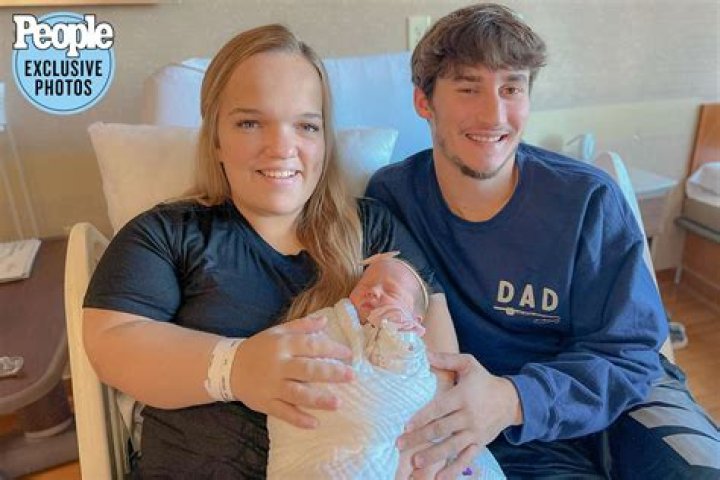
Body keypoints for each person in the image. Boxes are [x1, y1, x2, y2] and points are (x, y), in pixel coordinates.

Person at [82, 24, 459, 478]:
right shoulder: (167, 234)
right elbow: (111, 341)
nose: (282, 147)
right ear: (215, 138)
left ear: (324, 140)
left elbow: (438, 360)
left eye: (306, 126)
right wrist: (235, 368)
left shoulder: (372, 230)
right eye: (250, 123)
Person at [366, 3, 720, 479]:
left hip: (617, 394)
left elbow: (633, 352)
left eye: (512, 88)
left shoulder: (588, 200)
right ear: (424, 102)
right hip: (495, 421)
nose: (494, 114)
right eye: (468, 88)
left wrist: (517, 398)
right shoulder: (393, 198)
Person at [267, 253, 505, 479]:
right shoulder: (331, 321)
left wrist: (395, 334)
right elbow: (295, 346)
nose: (374, 291)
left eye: (391, 291)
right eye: (365, 285)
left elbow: (406, 376)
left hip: (384, 432)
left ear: (416, 320)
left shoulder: (410, 348)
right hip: (320, 430)